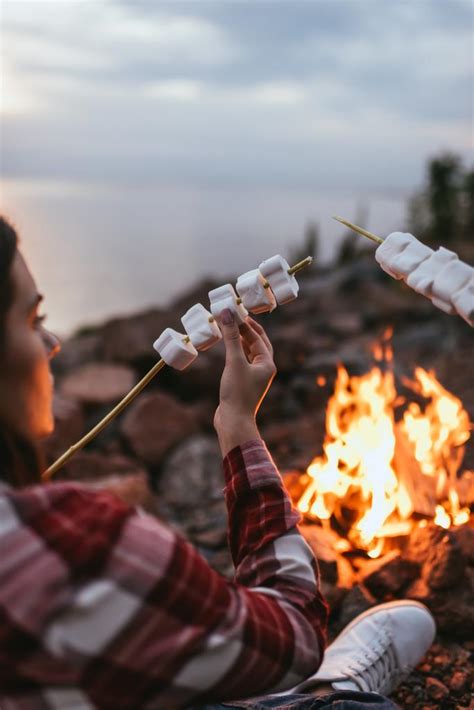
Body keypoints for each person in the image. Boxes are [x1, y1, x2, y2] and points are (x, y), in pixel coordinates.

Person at [0, 214, 435, 710]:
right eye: (32, 321)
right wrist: (238, 425)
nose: (54, 345)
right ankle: (326, 692)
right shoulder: (74, 549)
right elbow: (294, 633)